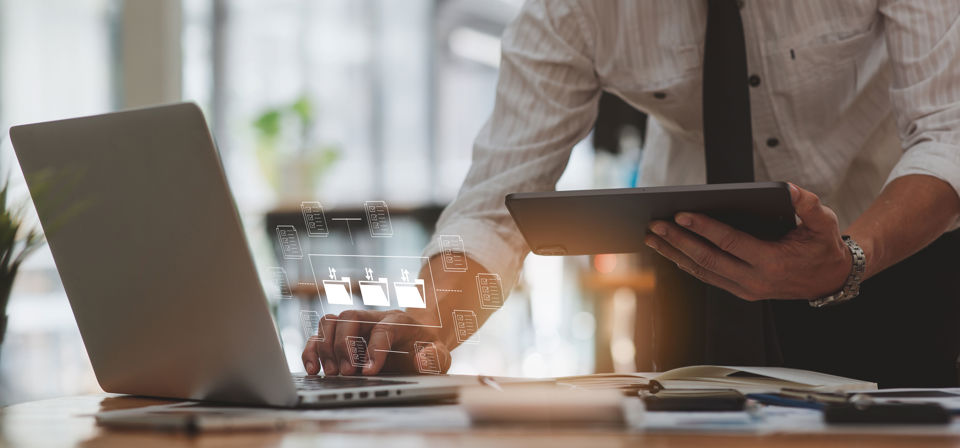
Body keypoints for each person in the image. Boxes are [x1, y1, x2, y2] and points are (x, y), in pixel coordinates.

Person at [303, 0, 960, 387]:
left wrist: (850, 254)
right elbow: (493, 210)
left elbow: (948, 130)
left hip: (898, 254)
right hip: (701, 277)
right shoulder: (573, 11)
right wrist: (424, 325)